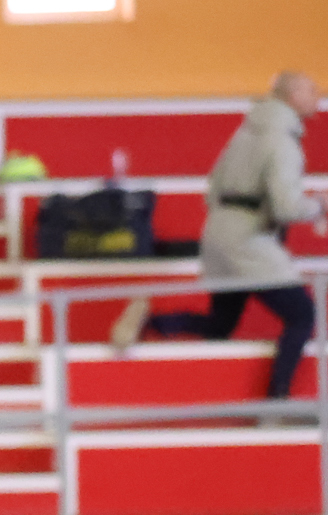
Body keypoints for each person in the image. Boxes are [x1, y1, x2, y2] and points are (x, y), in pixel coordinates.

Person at [109, 73, 322, 413]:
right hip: (251, 241)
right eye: (311, 89)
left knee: (221, 324)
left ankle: (152, 321)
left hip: (219, 235)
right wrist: (319, 206)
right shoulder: (283, 142)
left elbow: (213, 187)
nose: (318, 94)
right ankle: (276, 403)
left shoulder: (244, 132)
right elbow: (287, 207)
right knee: (303, 315)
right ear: (293, 95)